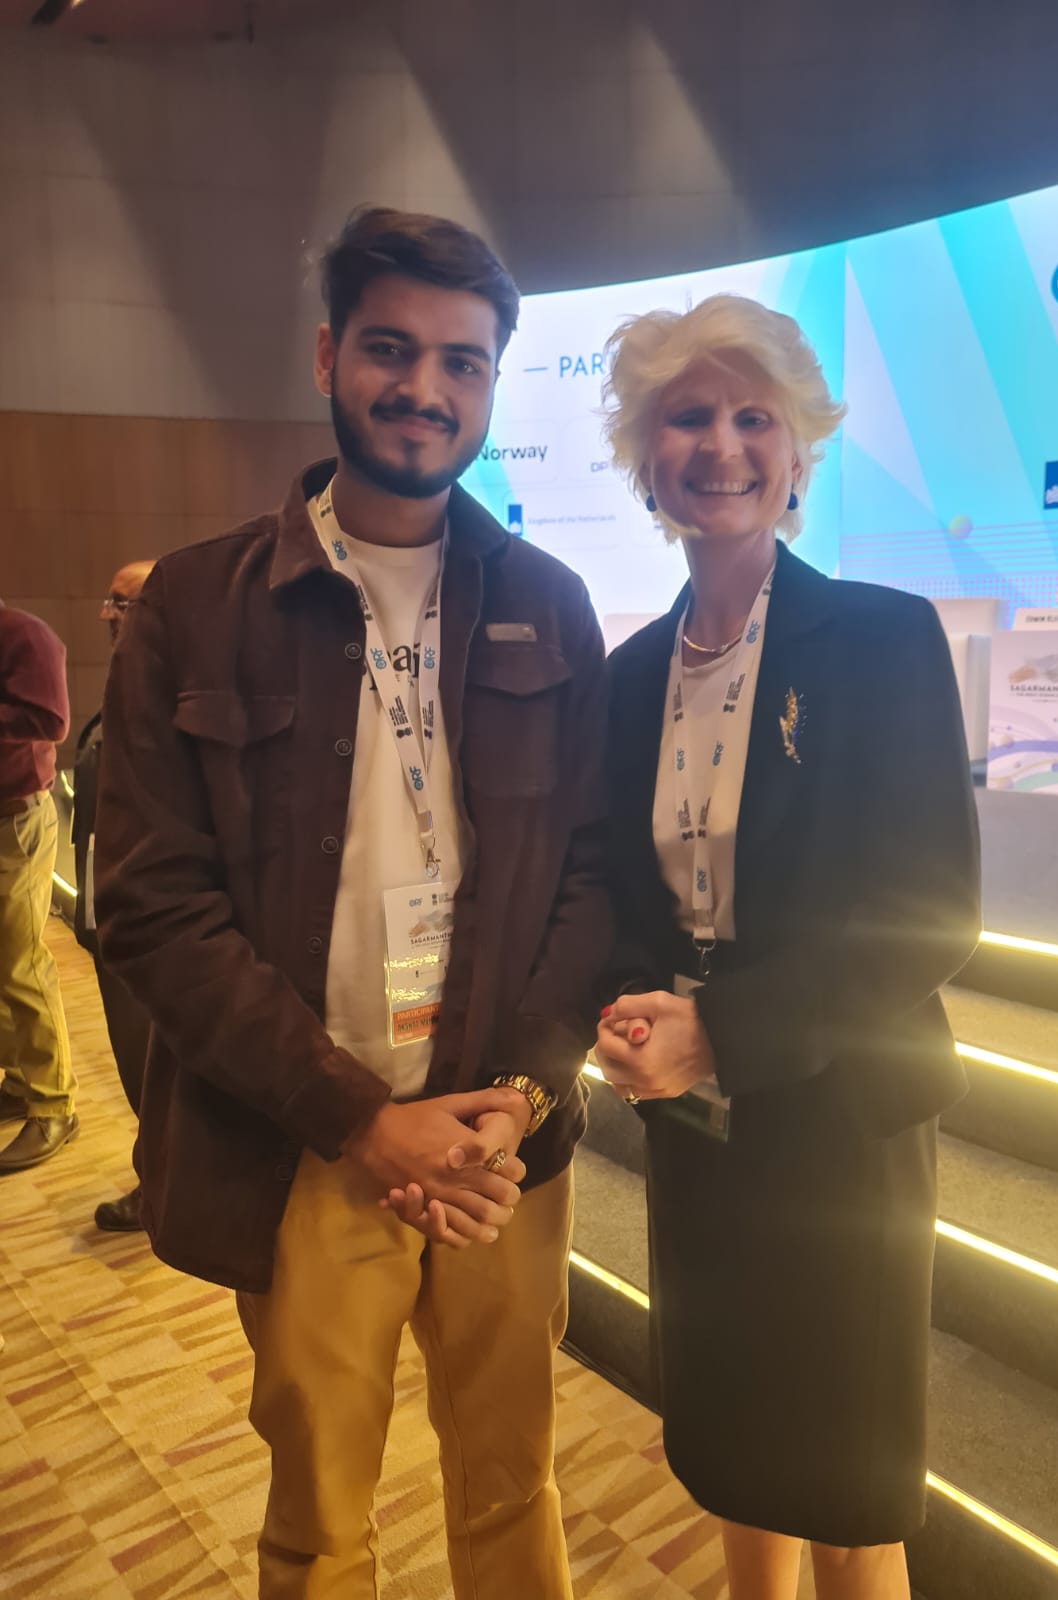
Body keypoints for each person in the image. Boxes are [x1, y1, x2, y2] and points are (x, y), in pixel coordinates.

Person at [95, 208, 609, 1600]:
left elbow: (589, 872)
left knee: (512, 1482)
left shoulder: (553, 605)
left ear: (494, 385)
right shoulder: (199, 606)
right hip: (314, 1138)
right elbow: (151, 908)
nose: (424, 389)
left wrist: (520, 1090)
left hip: (503, 1147)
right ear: (330, 355)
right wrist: (357, 1119)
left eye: (463, 361)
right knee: (322, 1517)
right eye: (391, 348)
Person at [594, 295, 981, 1600]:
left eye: (752, 416)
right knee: (733, 1454)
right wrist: (633, 1013)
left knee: (847, 1491)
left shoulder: (878, 638)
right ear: (649, 456)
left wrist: (727, 1031)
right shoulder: (633, 672)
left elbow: (930, 911)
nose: (721, 444)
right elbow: (622, 898)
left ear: (799, 449)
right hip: (701, 1137)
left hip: (843, 1127)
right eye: (688, 416)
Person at [72, 561, 155, 1230]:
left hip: (153, 929)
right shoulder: (127, 682)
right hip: (111, 918)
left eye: (121, 602)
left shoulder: (176, 688)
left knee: (156, 1067)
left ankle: (166, 1186)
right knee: (137, 1062)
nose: (106, 614)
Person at [0, 598, 79, 1173]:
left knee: (21, 963)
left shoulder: (26, 635)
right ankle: (22, 1077)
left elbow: (51, 720)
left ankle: (55, 1106)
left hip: (17, 820)